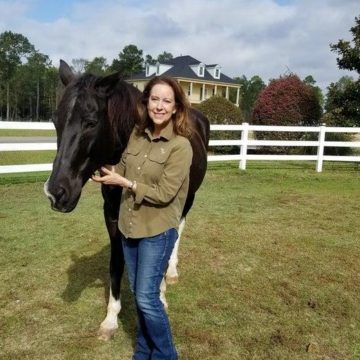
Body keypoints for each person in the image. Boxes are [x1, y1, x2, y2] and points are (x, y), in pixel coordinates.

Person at [92, 76, 193, 360]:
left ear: (175, 108)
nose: (159, 106)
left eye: (166, 101)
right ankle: (143, 351)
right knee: (140, 296)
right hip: (130, 227)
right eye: (155, 99)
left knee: (148, 299)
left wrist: (126, 184)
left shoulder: (180, 147)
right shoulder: (136, 135)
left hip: (157, 231)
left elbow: (164, 194)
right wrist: (94, 165)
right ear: (146, 101)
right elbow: (121, 166)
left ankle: (164, 354)